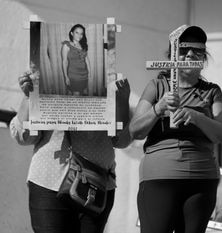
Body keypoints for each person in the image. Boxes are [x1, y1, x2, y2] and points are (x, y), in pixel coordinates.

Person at [129, 25, 222, 233]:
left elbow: (221, 134)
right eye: (183, 50)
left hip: (202, 180)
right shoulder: (156, 86)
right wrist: (158, 108)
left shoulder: (211, 91)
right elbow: (135, 131)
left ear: (204, 58)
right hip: (159, 178)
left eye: (197, 51)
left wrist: (196, 117)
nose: (190, 54)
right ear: (172, 56)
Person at [10, 65, 131, 233]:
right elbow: (24, 137)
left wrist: (123, 100)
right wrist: (29, 95)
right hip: (49, 182)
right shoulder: (45, 74)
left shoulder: (109, 80)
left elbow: (122, 140)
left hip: (96, 185)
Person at [62, 24, 91, 96]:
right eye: (77, 33)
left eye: (81, 33)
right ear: (72, 33)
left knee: (82, 92)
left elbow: (87, 60)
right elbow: (64, 62)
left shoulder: (83, 45)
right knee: (76, 95)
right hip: (73, 75)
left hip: (84, 74)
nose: (79, 35)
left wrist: (89, 73)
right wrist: (66, 77)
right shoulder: (66, 45)